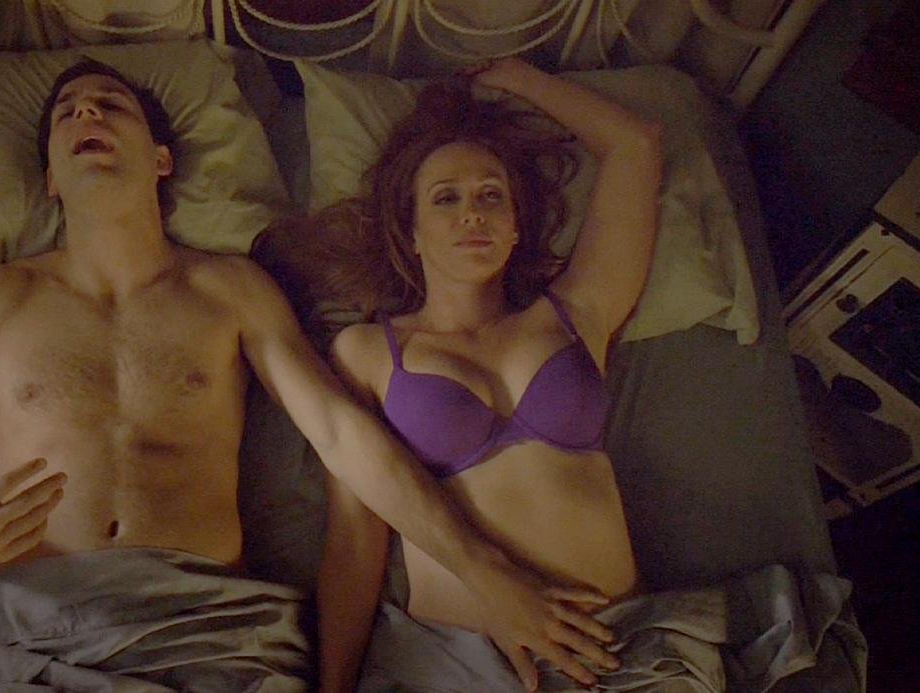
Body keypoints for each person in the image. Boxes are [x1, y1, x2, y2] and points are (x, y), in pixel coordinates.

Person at [0, 58, 617, 690]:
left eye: (110, 105)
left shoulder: (231, 291)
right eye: (68, 113)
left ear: (160, 159)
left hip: (209, 625)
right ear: (51, 179)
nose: (87, 113)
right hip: (40, 619)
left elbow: (341, 436)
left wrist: (483, 569)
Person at [281, 58, 664, 691]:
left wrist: (515, 76)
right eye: (446, 198)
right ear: (412, 232)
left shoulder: (576, 312)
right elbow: (356, 540)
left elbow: (635, 145)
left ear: (515, 227)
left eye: (492, 195)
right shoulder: (367, 352)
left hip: (614, 649)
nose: (473, 214)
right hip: (458, 661)